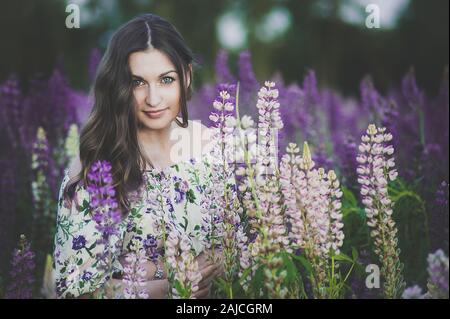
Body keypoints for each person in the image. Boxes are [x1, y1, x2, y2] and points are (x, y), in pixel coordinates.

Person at [53, 13, 227, 299]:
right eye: (137, 82)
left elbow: (248, 247)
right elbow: (74, 291)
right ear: (118, 86)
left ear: (187, 76)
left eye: (166, 80)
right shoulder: (93, 168)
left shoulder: (214, 146)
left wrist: (212, 266)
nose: (153, 98)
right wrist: (172, 286)